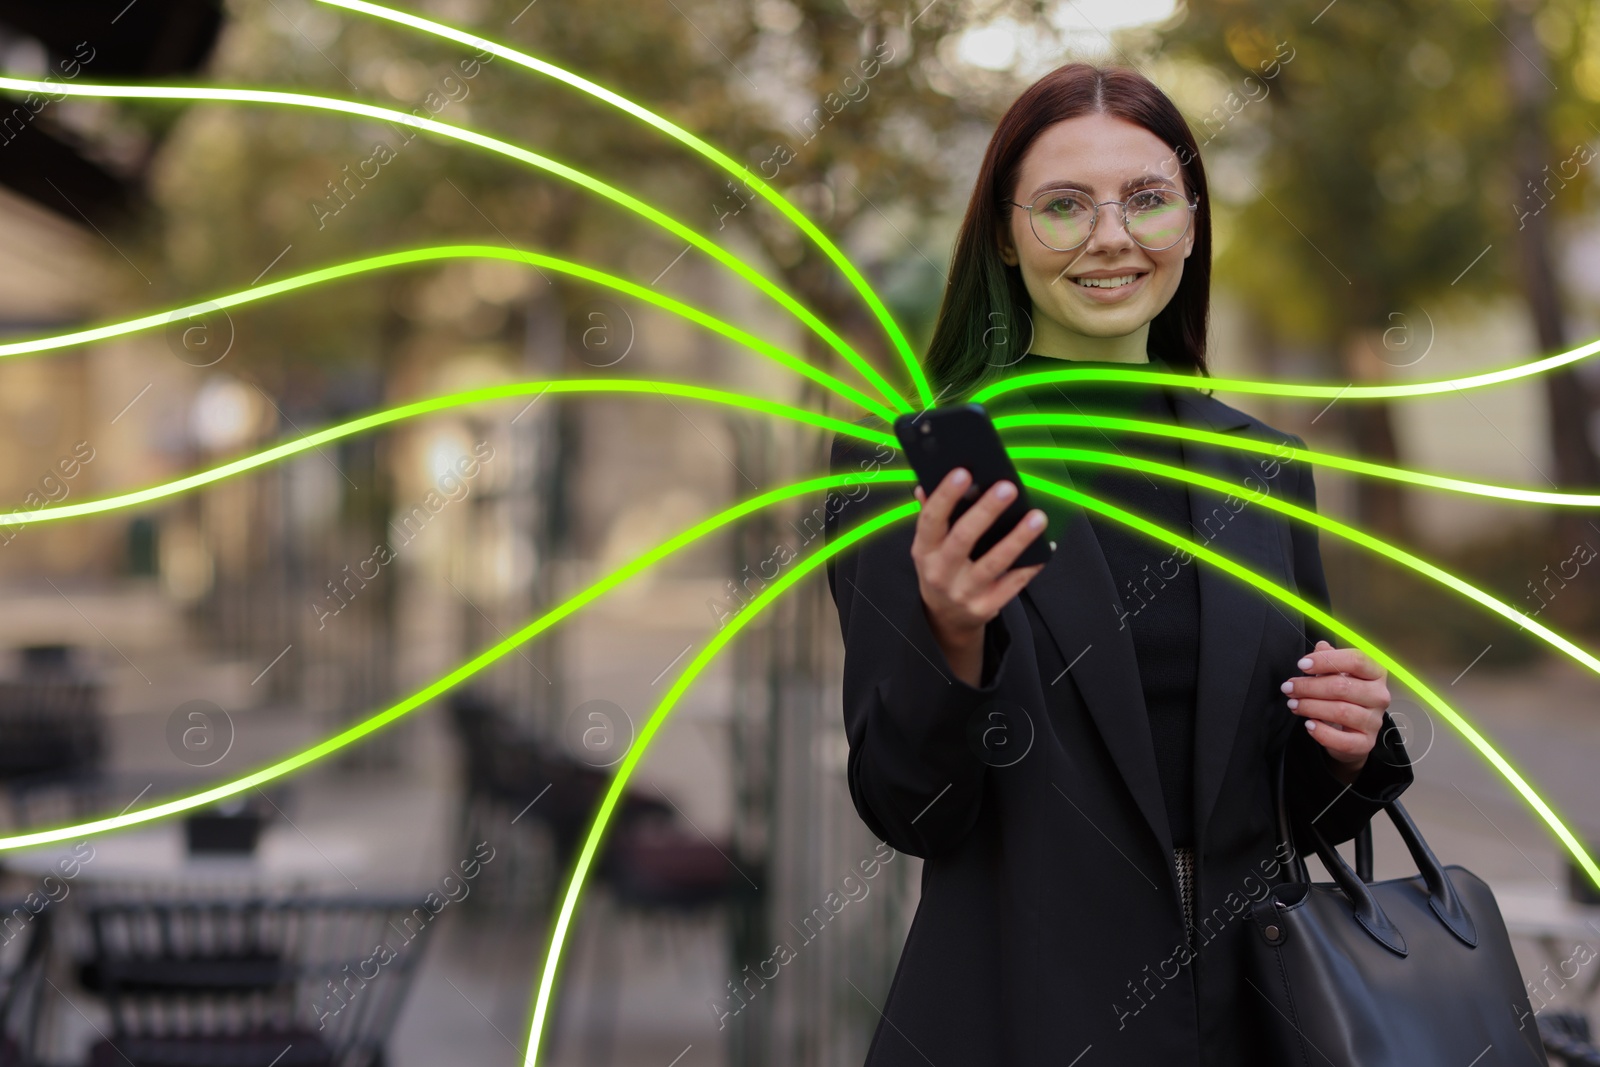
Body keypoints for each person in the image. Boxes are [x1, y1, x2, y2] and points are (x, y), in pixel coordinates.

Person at [823, 62, 1414, 1066]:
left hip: (1249, 1021)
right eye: (1063, 206)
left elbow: (1281, 799)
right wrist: (951, 636)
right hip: (1019, 1021)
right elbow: (908, 805)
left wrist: (1349, 740)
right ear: (1005, 238)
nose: (1111, 237)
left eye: (1145, 199)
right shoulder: (907, 465)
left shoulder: (1263, 466)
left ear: (1189, 221)